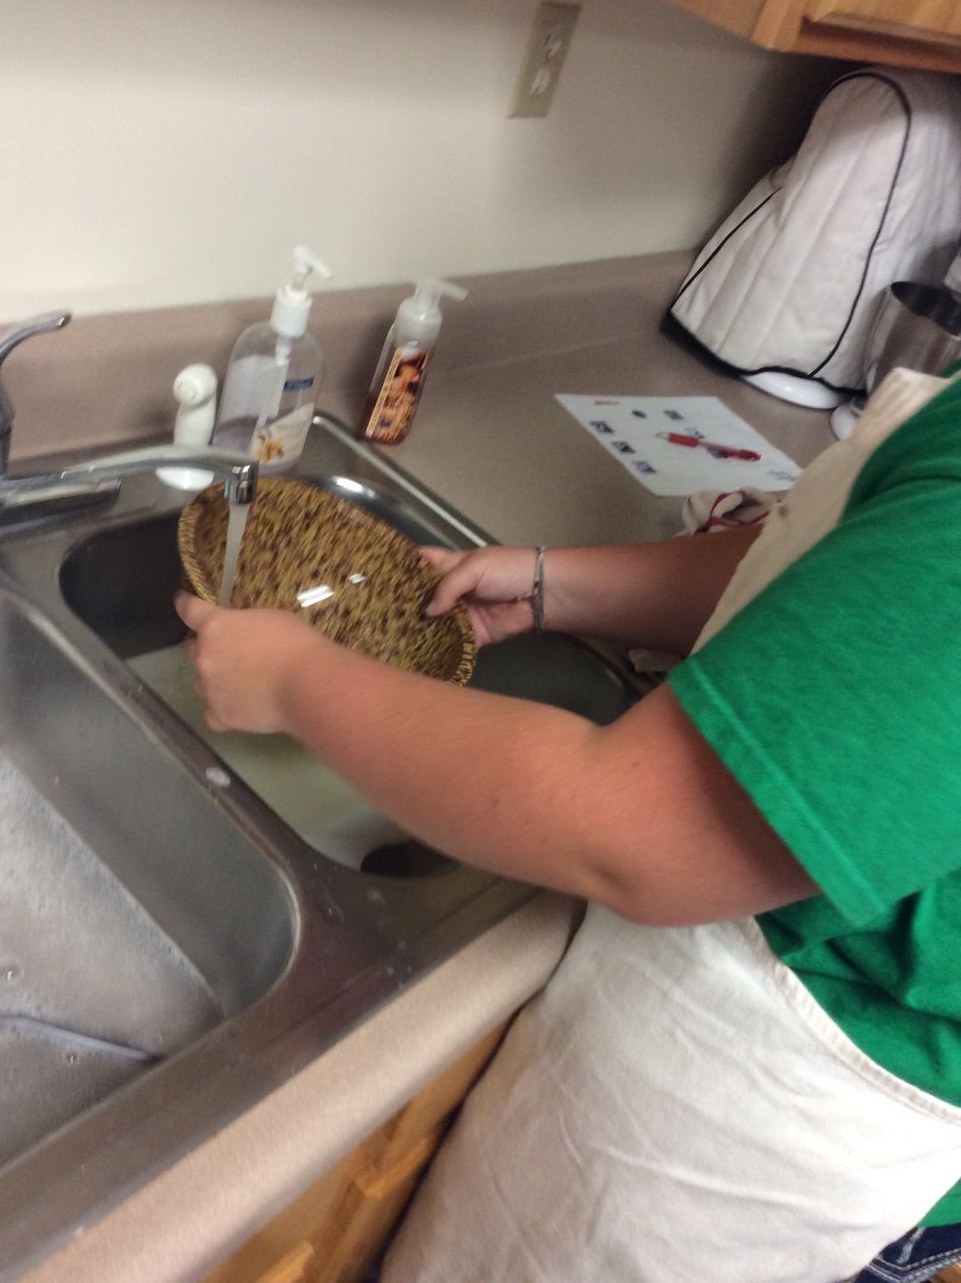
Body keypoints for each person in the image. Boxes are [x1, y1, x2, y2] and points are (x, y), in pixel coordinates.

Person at [175, 365, 961, 1283]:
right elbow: (832, 574)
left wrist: (295, 683)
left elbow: (639, 828)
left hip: (750, 1111)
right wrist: (552, 586)